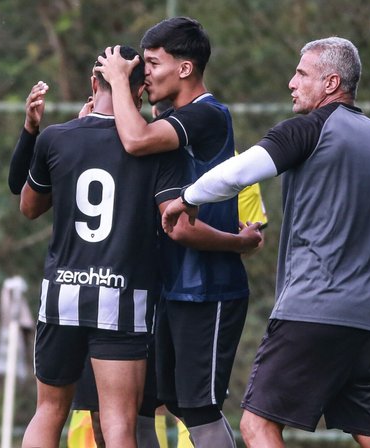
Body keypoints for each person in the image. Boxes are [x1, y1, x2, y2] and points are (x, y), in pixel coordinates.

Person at [161, 37, 370, 448]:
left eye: (301, 73)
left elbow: (236, 174)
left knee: (257, 425)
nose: (291, 83)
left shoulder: (309, 129)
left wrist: (187, 197)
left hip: (312, 310)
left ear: (331, 82)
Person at [95, 17, 261, 448]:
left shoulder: (207, 115)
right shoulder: (169, 118)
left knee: (198, 409)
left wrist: (116, 80)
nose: (144, 73)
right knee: (140, 405)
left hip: (207, 289)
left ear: (184, 68)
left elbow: (136, 140)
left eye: (152, 63)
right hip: (163, 288)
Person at [17, 45, 186, 448]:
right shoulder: (156, 145)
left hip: (63, 294)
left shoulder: (57, 139)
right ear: (141, 91)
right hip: (122, 298)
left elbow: (28, 206)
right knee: (118, 423)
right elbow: (172, 218)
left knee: (49, 412)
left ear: (94, 83)